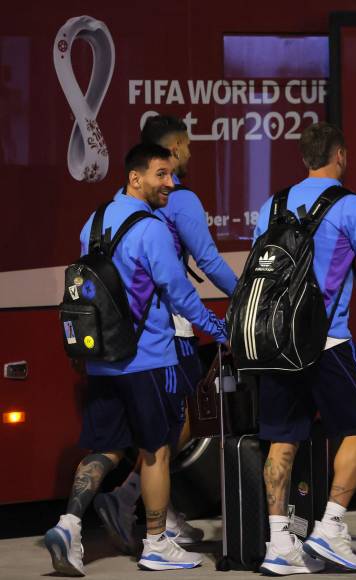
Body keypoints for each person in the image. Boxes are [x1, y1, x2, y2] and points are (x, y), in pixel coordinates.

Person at [44, 143, 228, 575]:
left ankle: (68, 525)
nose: (171, 183)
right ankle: (156, 542)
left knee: (105, 447)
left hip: (102, 359)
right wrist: (218, 329)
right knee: (155, 452)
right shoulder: (152, 230)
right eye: (162, 175)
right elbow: (178, 293)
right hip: (148, 360)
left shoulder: (94, 222)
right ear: (135, 177)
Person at [93, 115, 238, 549]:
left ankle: (159, 511)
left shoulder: (122, 203)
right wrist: (248, 297)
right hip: (170, 327)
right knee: (177, 424)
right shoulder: (181, 200)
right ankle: (135, 503)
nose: (190, 154)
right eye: (186, 146)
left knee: (159, 425)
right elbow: (207, 262)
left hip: (124, 335)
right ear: (171, 149)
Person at [255, 122, 356, 576]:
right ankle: (330, 527)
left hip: (273, 344)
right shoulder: (354, 206)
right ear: (341, 156)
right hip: (328, 341)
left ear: (304, 157)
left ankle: (278, 546)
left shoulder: (270, 206)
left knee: (282, 439)